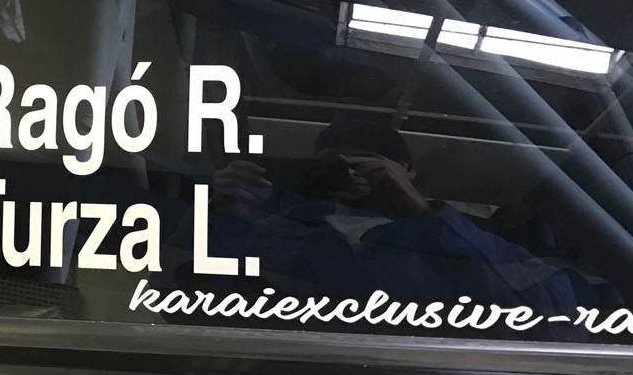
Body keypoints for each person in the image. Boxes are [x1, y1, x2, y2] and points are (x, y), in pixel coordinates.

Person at [197, 118, 610, 324]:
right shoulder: (278, 231)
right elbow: (203, 304)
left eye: (363, 162)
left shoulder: (482, 234)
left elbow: (556, 308)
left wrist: (421, 215)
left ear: (406, 171)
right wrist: (223, 215)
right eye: (330, 165)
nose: (346, 173)